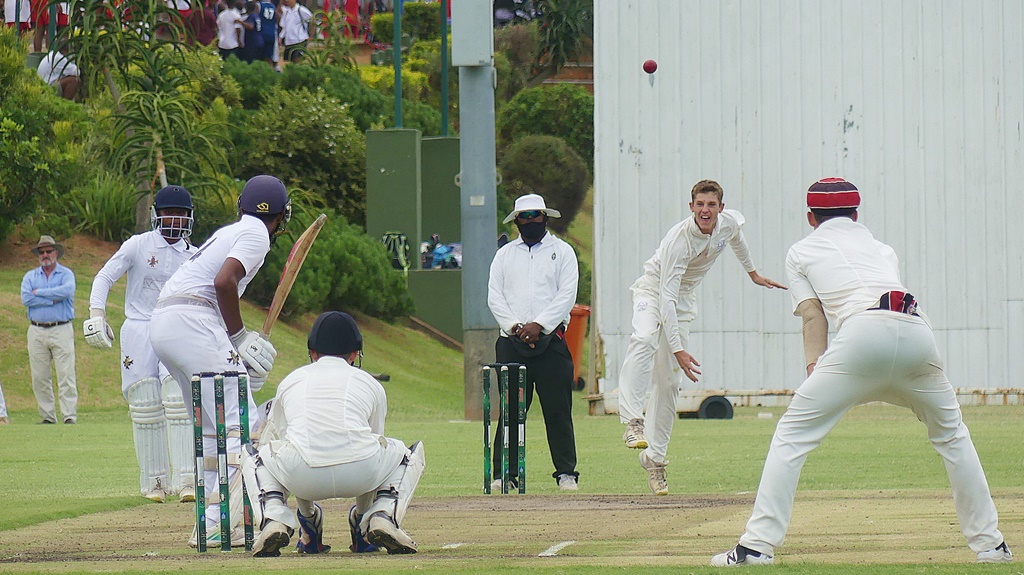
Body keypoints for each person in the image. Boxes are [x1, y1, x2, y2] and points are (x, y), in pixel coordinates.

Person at [711, 178, 1013, 566]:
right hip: (918, 330)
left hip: (862, 336)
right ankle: (992, 547)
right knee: (953, 437)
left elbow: (812, 315)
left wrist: (814, 375)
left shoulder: (801, 249)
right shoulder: (882, 249)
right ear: (856, 215)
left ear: (810, 217)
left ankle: (756, 547)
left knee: (792, 434)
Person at [617, 179, 785, 496]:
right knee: (644, 338)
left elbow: (737, 239)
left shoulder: (728, 223)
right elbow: (664, 297)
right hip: (652, 293)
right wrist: (679, 349)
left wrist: (753, 273)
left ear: (720, 208)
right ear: (691, 207)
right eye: (699, 205)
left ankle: (654, 460)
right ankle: (632, 420)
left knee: (668, 383)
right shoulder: (679, 241)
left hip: (681, 303)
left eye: (711, 205)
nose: (705, 210)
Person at [150, 174, 291, 548]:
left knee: (214, 429)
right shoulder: (258, 234)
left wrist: (235, 353)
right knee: (240, 425)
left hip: (165, 322)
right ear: (281, 215)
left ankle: (212, 522)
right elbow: (223, 282)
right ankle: (228, 520)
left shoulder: (232, 229)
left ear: (242, 204)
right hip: (194, 320)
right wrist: (240, 338)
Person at [242, 311, 424, 557]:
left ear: (313, 353)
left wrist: (308, 516)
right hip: (361, 472)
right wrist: (361, 515)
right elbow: (372, 441)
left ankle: (274, 519)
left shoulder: (291, 381)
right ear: (354, 353)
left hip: (302, 477)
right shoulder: (370, 384)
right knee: (409, 453)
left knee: (254, 455)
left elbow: (288, 444)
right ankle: (381, 517)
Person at [84, 186, 197, 504]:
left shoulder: (194, 255)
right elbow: (105, 277)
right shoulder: (138, 245)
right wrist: (96, 313)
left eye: (181, 213)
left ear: (189, 217)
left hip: (177, 328)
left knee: (178, 400)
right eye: (169, 212)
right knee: (145, 403)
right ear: (157, 215)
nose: (175, 218)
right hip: (139, 327)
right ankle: (154, 482)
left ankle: (187, 479)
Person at [487, 193, 580, 491]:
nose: (530, 222)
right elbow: (494, 297)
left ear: (545, 217)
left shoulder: (563, 252)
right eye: (523, 217)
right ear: (516, 221)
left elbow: (567, 295)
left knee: (558, 410)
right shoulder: (504, 255)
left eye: (535, 216)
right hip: (511, 341)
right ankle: (505, 473)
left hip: (551, 341)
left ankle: (566, 472)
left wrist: (539, 325)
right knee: (512, 410)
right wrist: (515, 327)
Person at [21, 235, 78, 425]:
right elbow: (26, 299)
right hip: (36, 330)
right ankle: (47, 417)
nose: (45, 255)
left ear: (56, 253)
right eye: (42, 252)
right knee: (39, 376)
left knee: (66, 375)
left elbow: (66, 292)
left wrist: (40, 293)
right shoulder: (30, 276)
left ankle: (69, 416)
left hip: (61, 328)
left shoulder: (66, 274)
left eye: (48, 251)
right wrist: (52, 298)